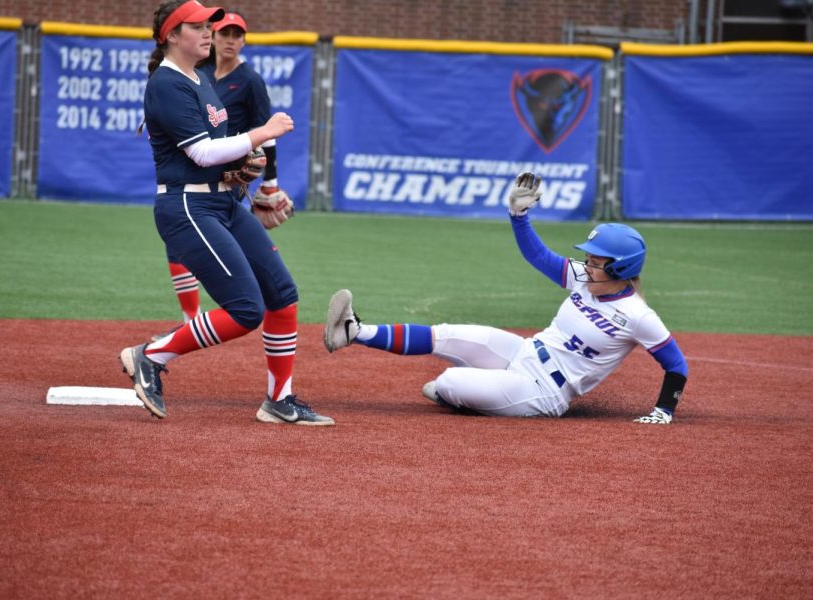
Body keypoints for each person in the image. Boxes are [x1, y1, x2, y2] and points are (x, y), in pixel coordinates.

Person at [324, 172, 688, 423]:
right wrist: (519, 215)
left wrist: (664, 410)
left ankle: (470, 393)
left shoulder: (638, 315)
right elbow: (538, 256)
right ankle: (355, 332)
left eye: (596, 260)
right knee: (445, 334)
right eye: (589, 257)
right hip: (524, 351)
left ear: (620, 269)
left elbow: (676, 365)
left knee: (447, 382)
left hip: (543, 390)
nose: (587, 264)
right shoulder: (583, 279)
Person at [121, 0, 333, 425]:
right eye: (198, 26)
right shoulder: (166, 84)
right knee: (245, 309)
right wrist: (263, 132)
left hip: (224, 200)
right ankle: (152, 355)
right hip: (188, 206)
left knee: (282, 295)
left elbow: (219, 150)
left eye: (209, 25)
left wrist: (246, 167)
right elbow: (200, 152)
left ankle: (279, 399)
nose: (208, 32)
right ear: (172, 36)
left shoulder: (198, 77)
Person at [154, 10, 293, 336]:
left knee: (268, 294)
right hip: (192, 183)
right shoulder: (194, 76)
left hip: (229, 179)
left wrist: (269, 186)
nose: (230, 39)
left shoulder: (249, 80)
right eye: (222, 32)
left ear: (244, 40)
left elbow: (266, 133)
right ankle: (190, 322)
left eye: (237, 34)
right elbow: (196, 144)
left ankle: (190, 328)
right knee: (178, 249)